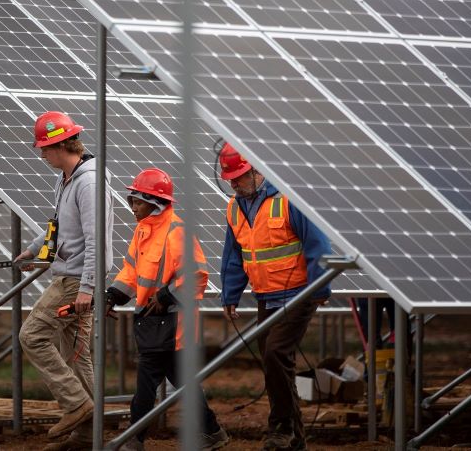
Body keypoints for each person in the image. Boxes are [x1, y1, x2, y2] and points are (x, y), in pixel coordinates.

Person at [105, 168, 229, 451]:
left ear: (155, 201)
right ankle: (212, 432)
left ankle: (133, 439)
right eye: (132, 200)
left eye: (137, 201)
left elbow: (197, 274)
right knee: (183, 383)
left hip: (173, 325)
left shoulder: (177, 231)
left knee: (146, 384)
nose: (133, 206)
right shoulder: (143, 230)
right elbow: (131, 271)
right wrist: (113, 295)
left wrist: (165, 295)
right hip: (153, 324)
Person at [218, 143, 332, 451]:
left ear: (257, 171)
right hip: (266, 296)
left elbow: (318, 243)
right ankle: (295, 440)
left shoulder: (288, 200)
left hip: (299, 293)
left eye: (239, 176)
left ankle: (280, 428)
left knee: (276, 354)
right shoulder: (235, 207)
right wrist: (230, 293)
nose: (234, 183)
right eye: (230, 178)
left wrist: (320, 288)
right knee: (275, 363)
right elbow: (233, 255)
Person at [13, 111, 114, 450]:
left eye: (44, 148)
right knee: (76, 357)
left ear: (60, 145)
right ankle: (88, 436)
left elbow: (95, 239)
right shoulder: (68, 179)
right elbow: (61, 228)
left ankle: (75, 404)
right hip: (72, 275)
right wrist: (33, 250)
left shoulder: (89, 182)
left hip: (75, 281)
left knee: (32, 335)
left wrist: (87, 288)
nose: (41, 154)